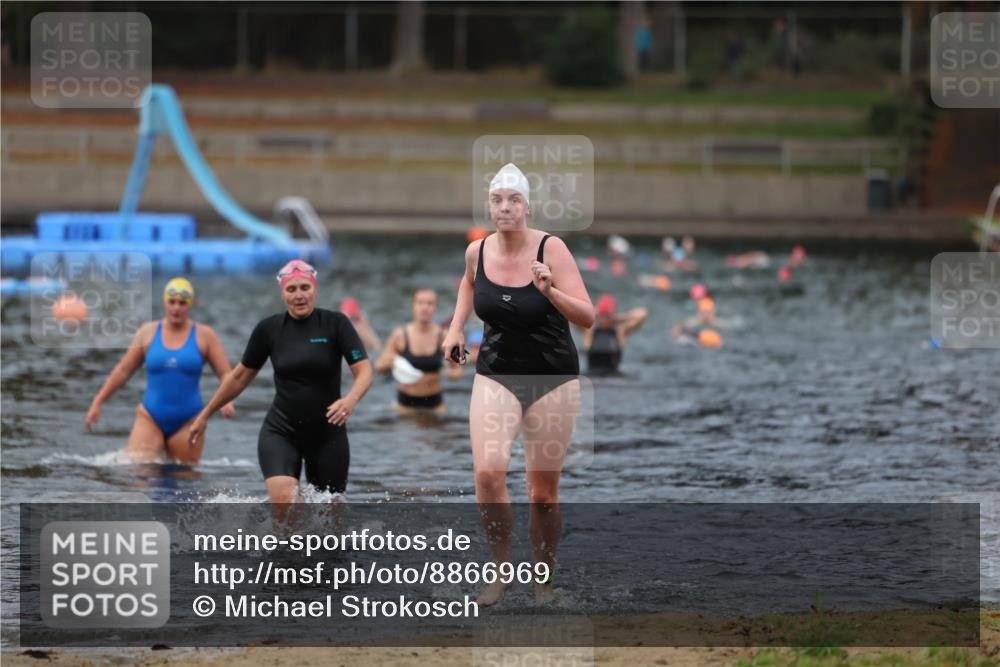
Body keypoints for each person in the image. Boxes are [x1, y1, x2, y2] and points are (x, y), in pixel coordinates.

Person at [441, 163, 594, 607]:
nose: (504, 207)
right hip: (496, 373)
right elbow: (469, 285)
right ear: (489, 205)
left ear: (527, 206)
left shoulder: (552, 248)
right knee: (488, 473)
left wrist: (550, 291)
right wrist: (454, 329)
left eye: (513, 200)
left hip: (552, 378)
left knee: (542, 494)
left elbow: (588, 317)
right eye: (496, 200)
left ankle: (543, 581)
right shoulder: (478, 251)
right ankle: (500, 570)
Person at [188, 260, 372, 505]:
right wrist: (205, 414)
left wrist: (351, 399)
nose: (299, 295)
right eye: (291, 289)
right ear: (282, 293)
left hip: (328, 435)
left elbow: (365, 370)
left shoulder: (336, 324)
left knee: (332, 524)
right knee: (285, 502)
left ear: (315, 289)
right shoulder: (269, 329)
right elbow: (240, 377)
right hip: (281, 431)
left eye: (304, 287)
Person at [85, 278, 235, 464]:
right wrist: (98, 402)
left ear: (191, 304)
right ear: (164, 302)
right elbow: (123, 370)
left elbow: (226, 374)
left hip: (189, 420)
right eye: (171, 302)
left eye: (182, 303)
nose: (176, 308)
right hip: (150, 417)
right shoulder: (147, 332)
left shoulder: (205, 335)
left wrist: (227, 401)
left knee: (184, 483)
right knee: (140, 472)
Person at [375, 288, 462, 415]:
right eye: (420, 303)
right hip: (405, 404)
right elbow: (379, 367)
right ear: (413, 306)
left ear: (435, 308)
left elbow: (458, 370)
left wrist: (451, 374)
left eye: (430, 303)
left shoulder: (444, 336)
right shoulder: (400, 335)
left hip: (435, 404)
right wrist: (391, 361)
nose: (424, 308)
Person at [581, 294, 648, 376]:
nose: (604, 320)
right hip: (592, 376)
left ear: (612, 316)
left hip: (614, 377)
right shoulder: (589, 332)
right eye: (602, 316)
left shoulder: (620, 332)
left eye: (607, 317)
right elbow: (572, 315)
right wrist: (593, 315)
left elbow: (643, 313)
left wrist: (618, 318)